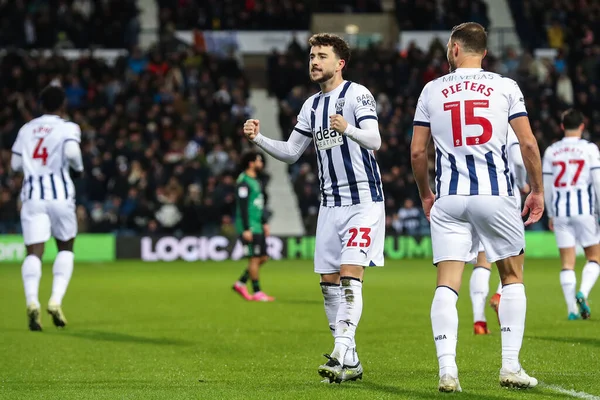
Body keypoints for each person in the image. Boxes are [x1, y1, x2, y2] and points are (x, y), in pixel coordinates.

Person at [243, 33, 384, 383]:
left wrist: (348, 127)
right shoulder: (310, 106)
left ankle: (340, 350)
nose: (314, 62)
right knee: (328, 283)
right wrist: (258, 139)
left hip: (363, 202)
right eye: (311, 57)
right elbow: (292, 153)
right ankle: (350, 361)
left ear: (340, 63)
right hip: (329, 206)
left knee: (351, 276)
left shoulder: (357, 94)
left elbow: (375, 140)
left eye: (322, 56)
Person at [411, 22, 544, 392]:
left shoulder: (431, 90)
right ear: (484, 53)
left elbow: (418, 151)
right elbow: (528, 144)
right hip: (495, 194)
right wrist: (537, 190)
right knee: (512, 277)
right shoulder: (505, 86)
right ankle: (510, 366)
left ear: (454, 49)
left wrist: (425, 192)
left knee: (446, 285)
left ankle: (447, 371)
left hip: (449, 198)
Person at [10, 85, 84, 331]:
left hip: (33, 196)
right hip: (61, 194)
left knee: (34, 252)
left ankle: (32, 301)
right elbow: (73, 152)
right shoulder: (68, 127)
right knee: (66, 247)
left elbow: (15, 164)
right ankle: (55, 299)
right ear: (63, 105)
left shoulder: (26, 129)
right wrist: (79, 169)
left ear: (41, 105)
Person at [469, 126, 529, 335]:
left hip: (470, 195)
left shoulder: (471, 125)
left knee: (482, 261)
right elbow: (520, 161)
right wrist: (522, 184)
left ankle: (479, 321)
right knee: (514, 261)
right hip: (504, 198)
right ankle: (500, 294)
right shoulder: (507, 126)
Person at [542, 109, 600, 320]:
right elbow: (597, 181)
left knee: (567, 263)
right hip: (585, 210)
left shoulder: (551, 151)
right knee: (594, 257)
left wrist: (550, 213)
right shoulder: (590, 149)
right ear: (582, 126)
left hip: (560, 213)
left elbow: (547, 186)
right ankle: (583, 292)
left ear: (562, 126)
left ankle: (571, 311)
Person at [232, 151, 274, 302]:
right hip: (250, 226)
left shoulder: (256, 180)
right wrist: (246, 229)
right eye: (258, 161)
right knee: (255, 258)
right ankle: (257, 292)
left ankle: (241, 283)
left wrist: (264, 222)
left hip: (257, 224)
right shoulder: (243, 182)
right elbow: (242, 207)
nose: (261, 164)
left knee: (263, 257)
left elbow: (258, 205)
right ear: (251, 163)